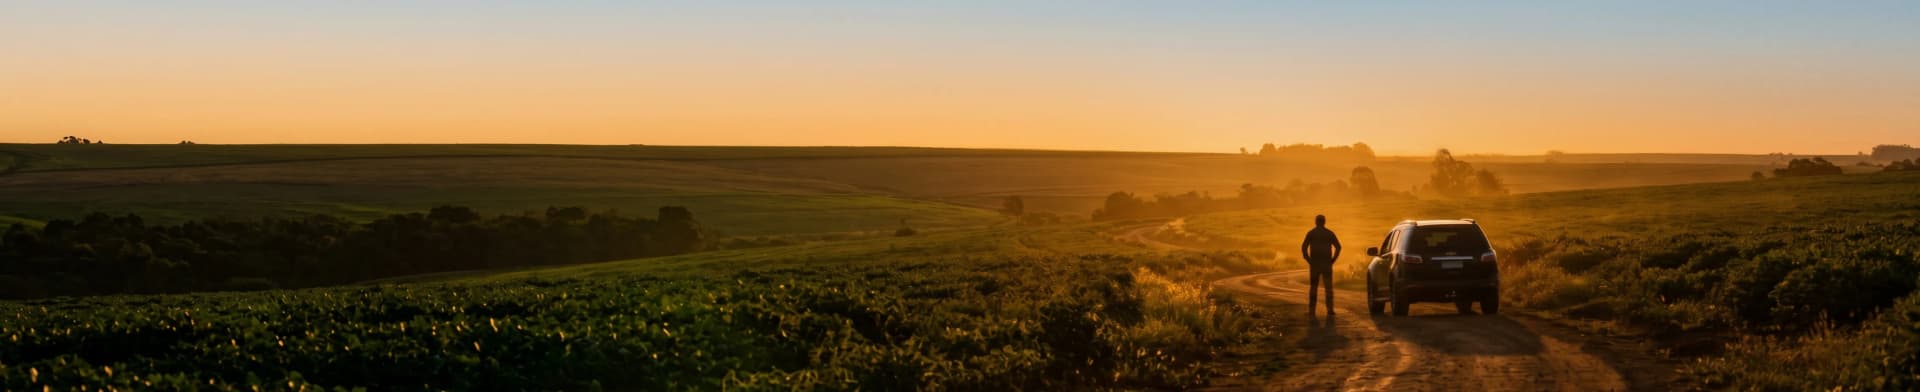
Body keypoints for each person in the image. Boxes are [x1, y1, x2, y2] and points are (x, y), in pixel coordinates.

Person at [1300, 215, 1342, 316]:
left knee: (1313, 287)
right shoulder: (1329, 233)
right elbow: (1338, 247)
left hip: (1314, 264)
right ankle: (1330, 309)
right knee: (1328, 287)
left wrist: (1308, 259)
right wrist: (1333, 260)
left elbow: (1304, 247)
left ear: (1316, 222)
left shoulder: (1311, 233)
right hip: (1327, 264)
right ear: (1324, 222)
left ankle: (1312, 311)